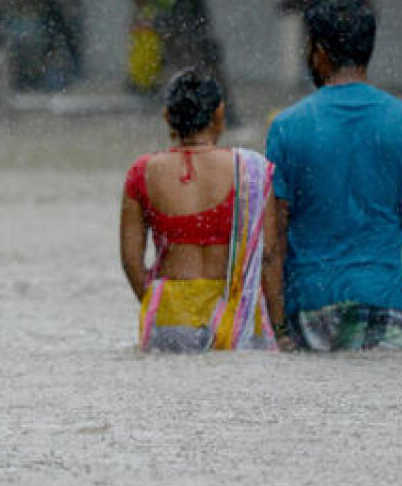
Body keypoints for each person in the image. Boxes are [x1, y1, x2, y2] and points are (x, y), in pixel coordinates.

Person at [266, 0, 402, 351]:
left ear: (319, 53)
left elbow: (273, 243)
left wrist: (277, 331)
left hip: (311, 311)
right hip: (388, 308)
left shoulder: (287, 128)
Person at [120, 70, 284, 352]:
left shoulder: (143, 172)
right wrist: (280, 328)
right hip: (236, 312)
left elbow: (130, 260)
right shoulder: (251, 171)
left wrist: (153, 301)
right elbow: (269, 255)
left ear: (167, 116)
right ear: (219, 113)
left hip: (171, 312)